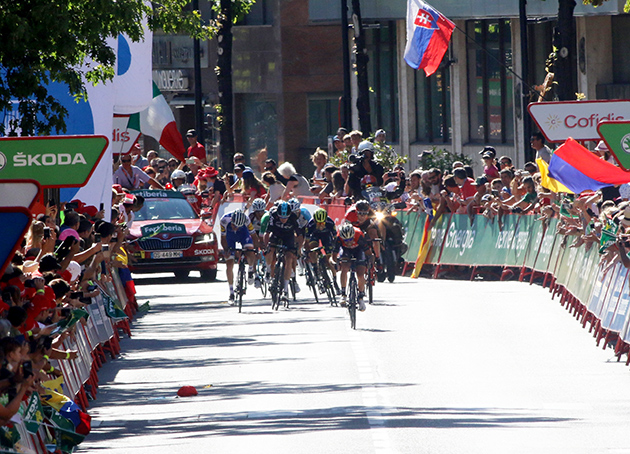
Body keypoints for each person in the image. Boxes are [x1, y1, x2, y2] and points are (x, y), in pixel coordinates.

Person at [220, 210, 259, 303]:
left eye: (238, 226)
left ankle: (250, 270)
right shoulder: (224, 220)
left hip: (243, 234)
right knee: (229, 264)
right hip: (229, 237)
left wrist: (256, 250)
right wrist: (226, 250)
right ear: (231, 221)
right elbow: (223, 238)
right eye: (234, 225)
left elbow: (253, 236)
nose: (236, 228)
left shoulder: (246, 220)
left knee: (250, 251)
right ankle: (231, 293)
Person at [264, 201, 299, 302]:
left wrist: (298, 249)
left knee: (289, 258)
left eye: (285, 217)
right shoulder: (273, 215)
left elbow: (299, 235)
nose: (283, 220)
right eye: (281, 217)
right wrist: (267, 247)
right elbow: (267, 233)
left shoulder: (293, 217)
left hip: (289, 237)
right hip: (276, 234)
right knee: (271, 249)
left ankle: (286, 290)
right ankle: (268, 270)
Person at [336, 223, 370, 311]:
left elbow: (367, 251)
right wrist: (334, 261)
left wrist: (370, 261)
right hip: (346, 251)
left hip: (359, 250)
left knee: (360, 274)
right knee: (344, 269)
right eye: (346, 240)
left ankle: (361, 297)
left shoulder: (359, 235)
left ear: (353, 236)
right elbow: (334, 252)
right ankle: (343, 294)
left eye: (350, 239)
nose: (348, 242)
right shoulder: (339, 237)